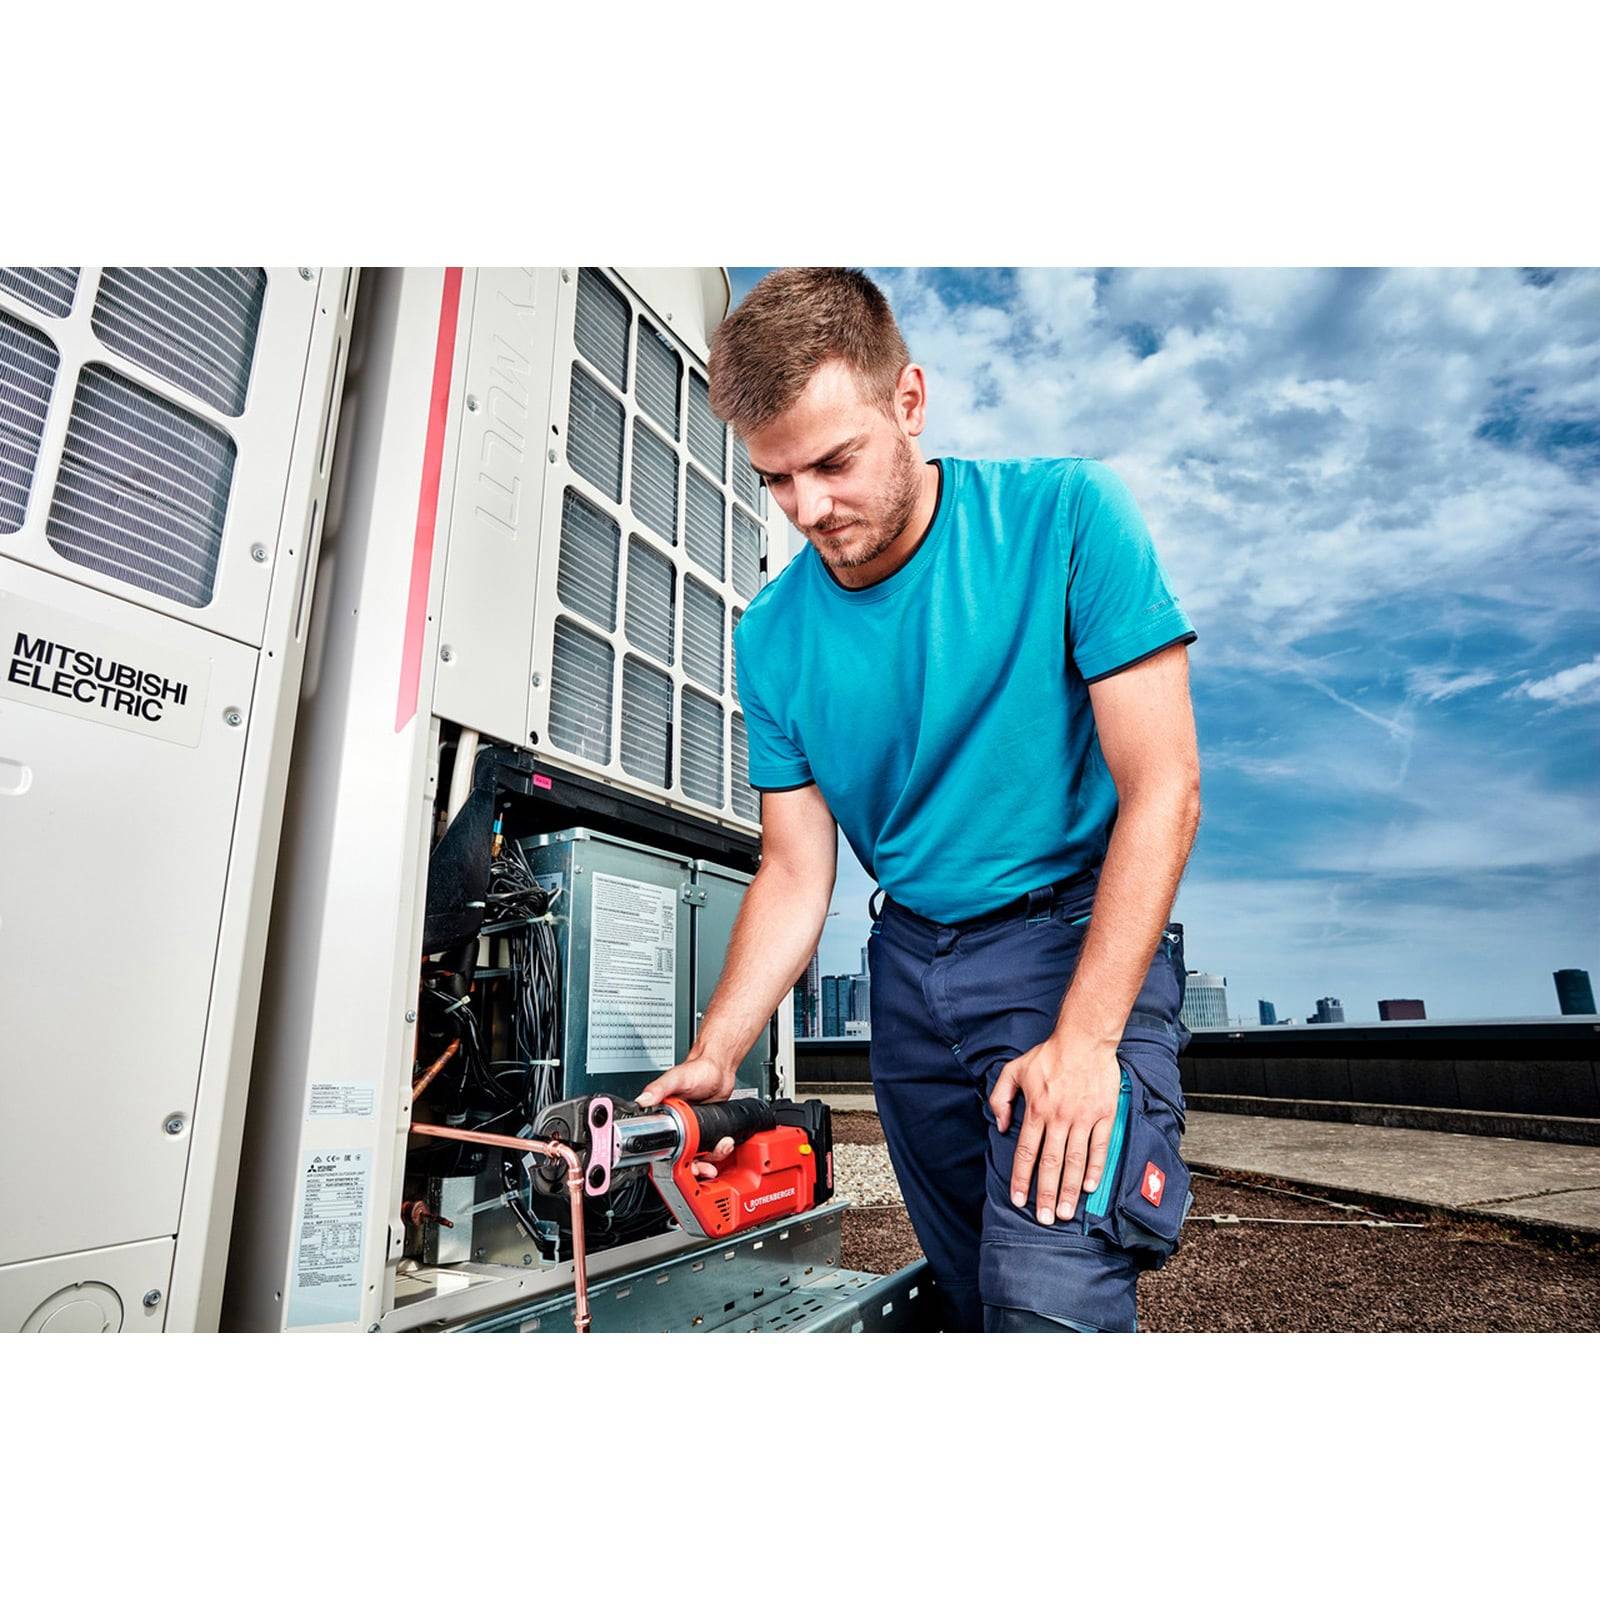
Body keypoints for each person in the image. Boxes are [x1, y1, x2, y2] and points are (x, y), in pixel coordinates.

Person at [637, 268, 1201, 1332]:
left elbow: (1164, 787)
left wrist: (1085, 1041)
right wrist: (718, 1050)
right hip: (908, 979)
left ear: (908, 402)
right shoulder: (770, 635)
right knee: (969, 1293)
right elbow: (798, 867)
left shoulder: (1067, 515)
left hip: (1064, 950)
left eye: (832, 463)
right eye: (776, 482)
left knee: (1048, 1306)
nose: (809, 509)